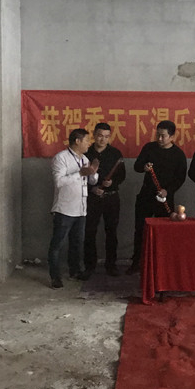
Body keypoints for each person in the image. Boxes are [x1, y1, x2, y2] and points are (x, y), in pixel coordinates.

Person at [129, 120, 187, 274]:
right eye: (158, 135)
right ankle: (137, 262)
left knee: (164, 231)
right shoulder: (149, 148)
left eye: (163, 136)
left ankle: (163, 264)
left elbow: (180, 178)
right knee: (140, 229)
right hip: (146, 195)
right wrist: (144, 167)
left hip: (165, 198)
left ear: (172, 136)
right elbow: (136, 166)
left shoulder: (178, 154)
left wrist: (168, 190)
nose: (159, 139)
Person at [47, 128, 99, 289]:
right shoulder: (61, 158)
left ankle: (75, 271)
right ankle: (55, 276)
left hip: (81, 209)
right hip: (64, 209)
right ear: (77, 141)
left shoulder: (84, 158)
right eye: (87, 140)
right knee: (57, 244)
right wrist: (80, 173)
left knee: (77, 243)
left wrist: (93, 173)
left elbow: (92, 182)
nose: (89, 144)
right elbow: (59, 182)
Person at [82, 123, 126, 279]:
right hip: (92, 198)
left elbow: (122, 175)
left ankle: (111, 265)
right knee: (89, 231)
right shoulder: (86, 153)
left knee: (111, 232)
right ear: (94, 135)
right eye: (100, 136)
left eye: (107, 137)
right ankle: (89, 266)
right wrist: (92, 188)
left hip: (111, 198)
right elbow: (79, 177)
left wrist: (112, 183)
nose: (103, 139)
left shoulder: (115, 153)